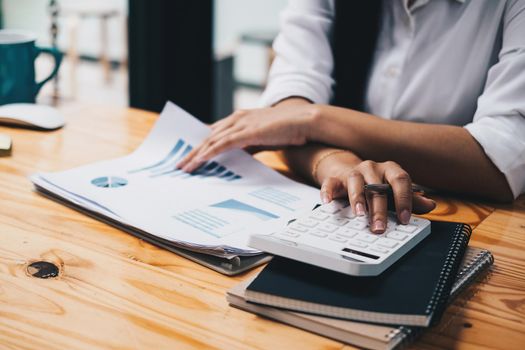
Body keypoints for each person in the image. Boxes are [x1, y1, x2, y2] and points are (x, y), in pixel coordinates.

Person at [178, 0, 525, 234]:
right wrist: (338, 165)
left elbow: (500, 159)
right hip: (350, 216)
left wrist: (313, 120)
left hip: (469, 224)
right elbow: (290, 100)